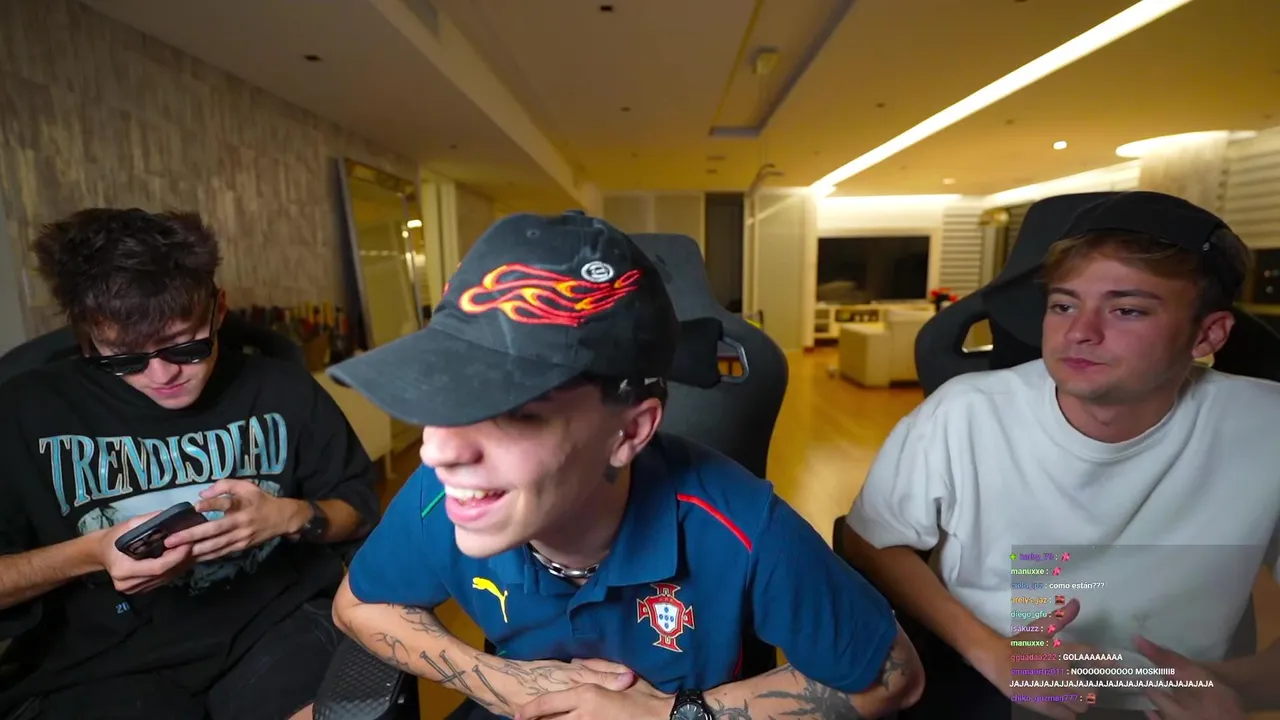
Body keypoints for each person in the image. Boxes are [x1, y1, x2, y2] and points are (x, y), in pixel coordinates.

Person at [328, 210, 925, 720]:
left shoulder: (739, 522)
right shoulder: (446, 493)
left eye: (515, 415)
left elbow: (896, 673)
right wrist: (502, 682)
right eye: (445, 400)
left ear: (630, 431)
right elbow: (357, 603)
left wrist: (670, 714)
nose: (437, 452)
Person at [839, 191, 1280, 720]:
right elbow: (869, 539)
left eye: (1127, 310)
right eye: (1064, 305)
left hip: (1171, 704)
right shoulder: (966, 414)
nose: (1079, 333)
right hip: (989, 676)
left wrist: (1231, 688)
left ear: (1208, 334)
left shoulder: (1266, 429)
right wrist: (993, 654)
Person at [0, 209, 381, 720]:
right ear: (88, 334)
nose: (162, 375)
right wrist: (90, 554)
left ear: (218, 309)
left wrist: (289, 516)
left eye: (186, 345)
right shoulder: (23, 411)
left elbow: (359, 510)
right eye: (125, 357)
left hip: (270, 626)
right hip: (102, 663)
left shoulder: (283, 390)